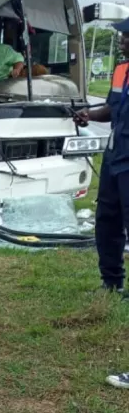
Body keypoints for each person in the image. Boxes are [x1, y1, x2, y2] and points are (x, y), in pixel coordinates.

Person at [75, 18, 129, 298]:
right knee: (107, 220)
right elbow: (112, 107)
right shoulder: (121, 70)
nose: (121, 40)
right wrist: (90, 115)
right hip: (114, 156)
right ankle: (111, 282)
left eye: (126, 36)